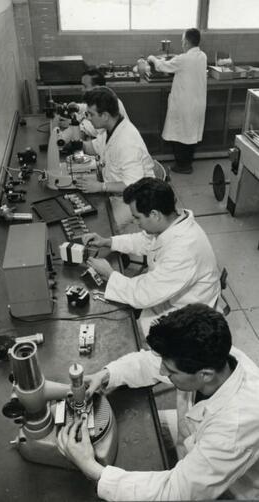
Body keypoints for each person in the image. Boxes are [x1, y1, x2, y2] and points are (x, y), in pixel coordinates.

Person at [57, 303, 259, 500]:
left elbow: (176, 492)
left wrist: (91, 468)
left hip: (227, 488)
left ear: (205, 375)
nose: (162, 372)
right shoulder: (214, 355)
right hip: (194, 446)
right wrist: (106, 374)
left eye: (170, 372)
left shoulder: (235, 428)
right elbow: (153, 362)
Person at [82, 177, 221, 336]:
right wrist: (108, 242)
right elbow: (144, 241)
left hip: (187, 315)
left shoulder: (184, 250)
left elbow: (145, 294)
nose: (135, 222)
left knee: (130, 335)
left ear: (155, 214)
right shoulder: (171, 223)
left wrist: (110, 274)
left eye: (137, 217)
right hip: (168, 295)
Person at [77, 87, 154, 231]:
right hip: (116, 191)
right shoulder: (111, 129)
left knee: (101, 228)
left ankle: (113, 247)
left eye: (91, 114)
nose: (88, 118)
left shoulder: (127, 141)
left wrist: (100, 186)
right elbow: (94, 147)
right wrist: (75, 144)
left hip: (136, 198)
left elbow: (133, 184)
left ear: (105, 115)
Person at [148, 28, 207, 175]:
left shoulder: (184, 59)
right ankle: (186, 164)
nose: (182, 44)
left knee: (180, 135)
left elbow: (163, 66)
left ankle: (182, 166)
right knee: (190, 134)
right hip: (197, 103)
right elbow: (179, 63)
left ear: (186, 42)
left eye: (182, 41)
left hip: (185, 105)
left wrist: (152, 58)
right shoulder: (202, 56)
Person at [68, 67, 128, 138]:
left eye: (85, 86)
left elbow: (92, 129)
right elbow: (89, 108)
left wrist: (70, 124)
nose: (82, 89)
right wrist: (77, 107)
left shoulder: (108, 103)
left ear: (97, 88)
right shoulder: (102, 99)